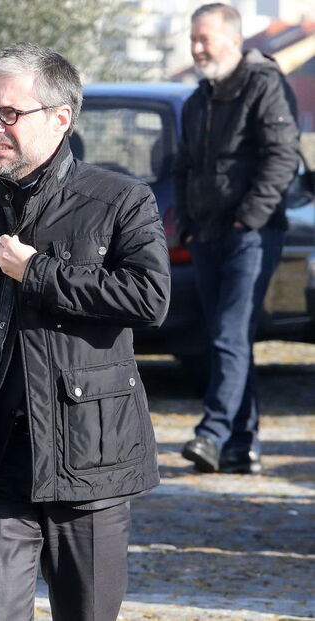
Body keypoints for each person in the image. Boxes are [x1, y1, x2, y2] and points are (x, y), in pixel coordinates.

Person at [0, 43, 170, 621]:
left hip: (91, 462)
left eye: (9, 113)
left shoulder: (120, 201)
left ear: (60, 117)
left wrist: (39, 273)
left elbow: (150, 298)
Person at [174, 3, 300, 475]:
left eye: (203, 39)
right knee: (228, 338)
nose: (196, 48)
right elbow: (184, 165)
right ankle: (241, 446)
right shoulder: (198, 99)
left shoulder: (264, 84)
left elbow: (282, 157)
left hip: (252, 235)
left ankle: (212, 432)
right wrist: (187, 222)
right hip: (206, 235)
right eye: (193, 39)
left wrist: (248, 219)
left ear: (232, 39)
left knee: (229, 334)